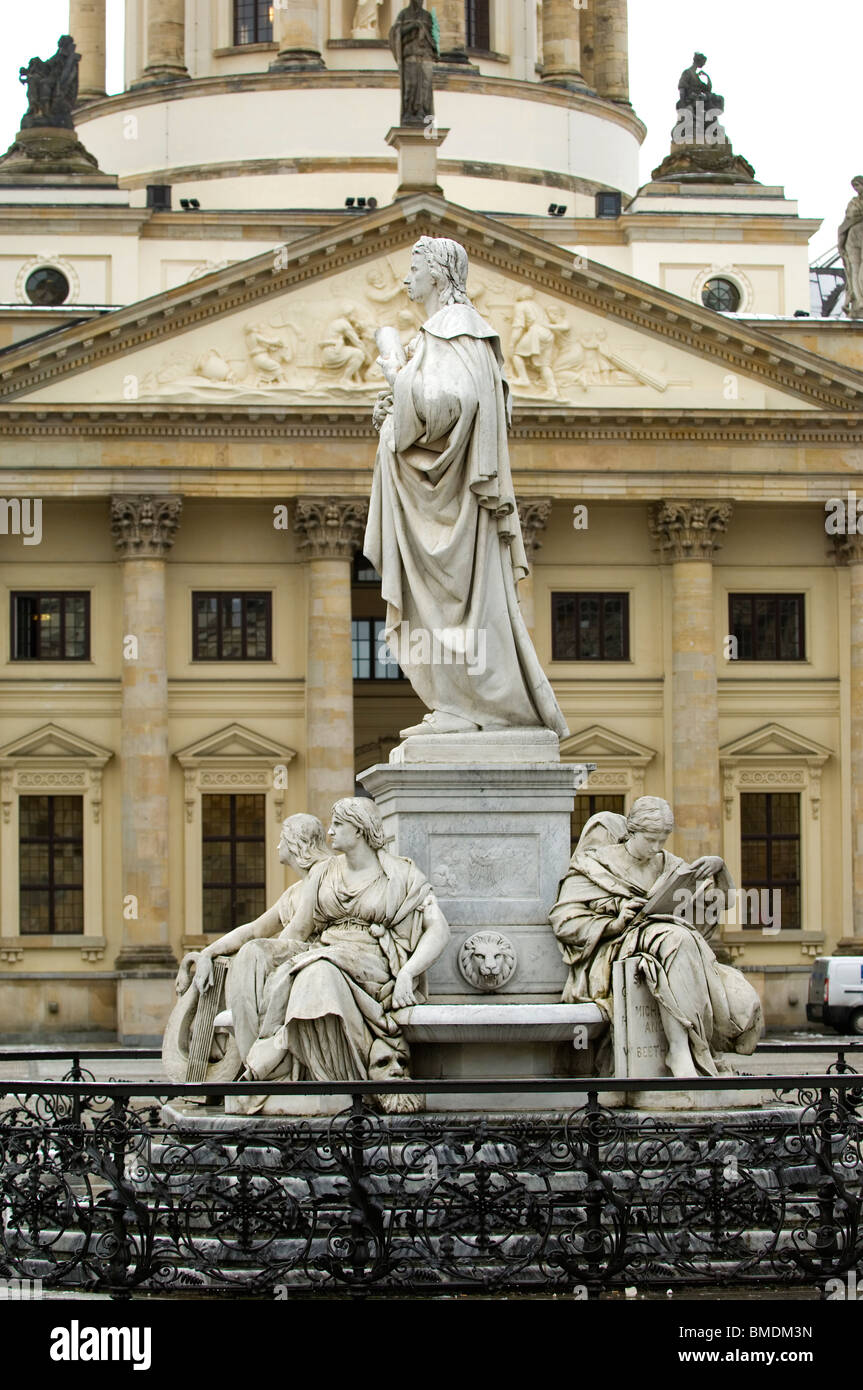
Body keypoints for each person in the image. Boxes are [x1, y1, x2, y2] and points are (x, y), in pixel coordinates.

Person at [364, 235, 568, 738]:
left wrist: (396, 376)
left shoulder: (457, 332)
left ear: (437, 274)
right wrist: (396, 408)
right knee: (445, 606)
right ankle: (458, 700)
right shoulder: (442, 335)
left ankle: (476, 702)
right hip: (437, 498)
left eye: (413, 266)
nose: (405, 278)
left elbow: (450, 408)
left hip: (454, 506)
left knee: (460, 605)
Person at [241, 797, 450, 1088]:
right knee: (256, 955)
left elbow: (438, 929)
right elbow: (298, 931)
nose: (329, 832)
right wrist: (266, 957)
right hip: (326, 952)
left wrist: (407, 973)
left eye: (338, 824)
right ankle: (263, 1062)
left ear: (360, 831)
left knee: (318, 972)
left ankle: (337, 1082)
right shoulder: (323, 873)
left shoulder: (401, 874)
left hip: (371, 960)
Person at [549, 796, 762, 1077]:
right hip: (617, 946)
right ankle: (680, 1049)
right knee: (675, 939)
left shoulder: (669, 865)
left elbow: (717, 906)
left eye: (662, 840)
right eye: (650, 839)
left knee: (680, 940)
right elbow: (564, 920)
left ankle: (687, 1047)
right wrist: (615, 922)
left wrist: (721, 871)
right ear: (632, 831)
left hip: (669, 942)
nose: (656, 848)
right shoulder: (596, 865)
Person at [185, 813, 330, 1064]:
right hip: (293, 956)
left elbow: (297, 932)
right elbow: (254, 929)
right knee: (239, 957)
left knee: (250, 956)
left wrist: (264, 958)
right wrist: (208, 952)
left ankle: (253, 1061)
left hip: (314, 958)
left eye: (282, 839)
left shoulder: (324, 875)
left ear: (297, 842)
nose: (277, 846)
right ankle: (236, 1055)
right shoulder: (294, 891)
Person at [839, 176, 863, 319]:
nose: (856, 189)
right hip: (852, 237)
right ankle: (859, 300)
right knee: (854, 269)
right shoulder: (853, 203)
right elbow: (847, 219)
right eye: (854, 187)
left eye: (858, 185)